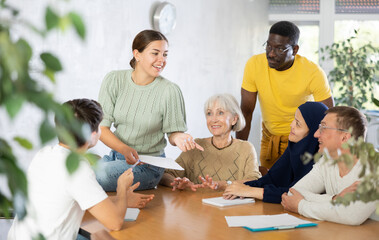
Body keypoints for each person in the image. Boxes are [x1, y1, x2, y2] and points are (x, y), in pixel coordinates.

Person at [7, 99, 154, 240]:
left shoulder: (44, 154)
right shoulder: (77, 170)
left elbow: (66, 199)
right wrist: (122, 188)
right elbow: (114, 223)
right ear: (92, 135)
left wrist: (120, 200)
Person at [96, 30, 203, 191]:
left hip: (148, 166)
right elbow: (102, 128)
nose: (162, 60)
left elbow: (173, 133)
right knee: (77, 170)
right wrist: (124, 150)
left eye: (165, 55)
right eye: (155, 53)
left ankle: (156, 179)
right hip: (115, 157)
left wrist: (179, 137)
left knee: (100, 175)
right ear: (137, 54)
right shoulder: (114, 80)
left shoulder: (170, 90)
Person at [237, 21, 334, 169]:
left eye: (280, 49)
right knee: (267, 184)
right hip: (270, 138)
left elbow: (329, 116)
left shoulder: (313, 72)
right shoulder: (254, 65)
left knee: (295, 188)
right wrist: (239, 151)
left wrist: (324, 153)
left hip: (301, 141)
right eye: (268, 46)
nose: (271, 53)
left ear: (295, 50)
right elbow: (246, 111)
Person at [281, 106, 377, 225]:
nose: (316, 134)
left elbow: (352, 215)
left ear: (345, 137)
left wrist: (301, 206)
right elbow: (293, 193)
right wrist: (334, 199)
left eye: (323, 128)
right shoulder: (327, 161)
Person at [223, 102, 328, 203]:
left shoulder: (323, 161)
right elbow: (270, 180)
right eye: (294, 120)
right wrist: (240, 187)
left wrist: (250, 191)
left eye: (298, 124)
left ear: (313, 132)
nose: (291, 125)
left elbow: (296, 194)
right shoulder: (294, 148)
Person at [160, 94, 261, 191]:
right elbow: (163, 175)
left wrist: (222, 185)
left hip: (232, 207)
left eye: (220, 112)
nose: (213, 119)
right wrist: (177, 182)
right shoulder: (196, 146)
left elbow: (255, 181)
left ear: (234, 119)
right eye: (209, 113)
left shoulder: (246, 148)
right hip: (196, 206)